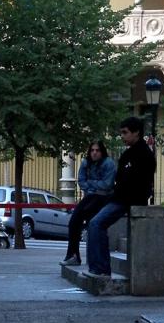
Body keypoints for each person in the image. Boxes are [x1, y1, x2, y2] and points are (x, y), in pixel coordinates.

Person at [86, 116, 156, 277]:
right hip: (120, 197)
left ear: (136, 132)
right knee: (93, 222)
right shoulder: (128, 154)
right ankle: (97, 267)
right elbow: (120, 178)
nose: (122, 136)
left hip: (128, 199)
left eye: (125, 132)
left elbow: (140, 181)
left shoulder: (144, 154)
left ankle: (101, 269)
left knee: (96, 224)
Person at [62, 140, 116, 266]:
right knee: (74, 221)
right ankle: (73, 255)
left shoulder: (108, 163)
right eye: (92, 150)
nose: (94, 153)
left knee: (93, 224)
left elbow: (107, 184)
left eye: (97, 150)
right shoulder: (86, 162)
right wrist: (94, 186)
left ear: (102, 152)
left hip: (104, 197)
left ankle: (94, 260)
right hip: (91, 196)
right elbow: (81, 181)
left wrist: (91, 183)